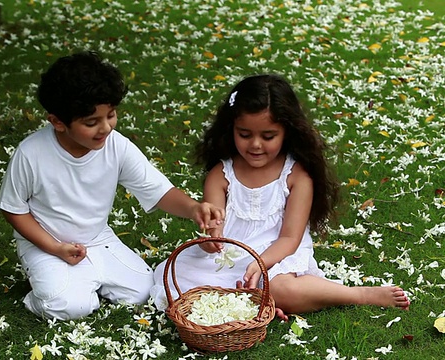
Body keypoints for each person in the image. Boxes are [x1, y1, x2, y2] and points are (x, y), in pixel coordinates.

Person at [150, 74, 409, 320]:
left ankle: (355, 294)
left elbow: (290, 238)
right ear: (231, 129)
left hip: (278, 253)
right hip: (233, 253)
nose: (255, 145)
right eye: (244, 134)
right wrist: (210, 240)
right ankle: (256, 303)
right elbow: (214, 229)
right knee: (181, 282)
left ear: (287, 131)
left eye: (268, 136)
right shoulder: (221, 175)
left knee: (280, 289)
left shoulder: (296, 176)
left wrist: (259, 265)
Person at [0, 51, 225, 320]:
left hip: (97, 239)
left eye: (111, 115)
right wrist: (54, 248)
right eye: (91, 122)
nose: (105, 128)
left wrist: (194, 208)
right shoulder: (31, 153)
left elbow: (157, 190)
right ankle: (44, 296)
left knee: (145, 292)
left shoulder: (115, 145)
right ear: (58, 122)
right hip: (47, 243)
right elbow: (13, 209)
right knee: (70, 307)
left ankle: (86, 279)